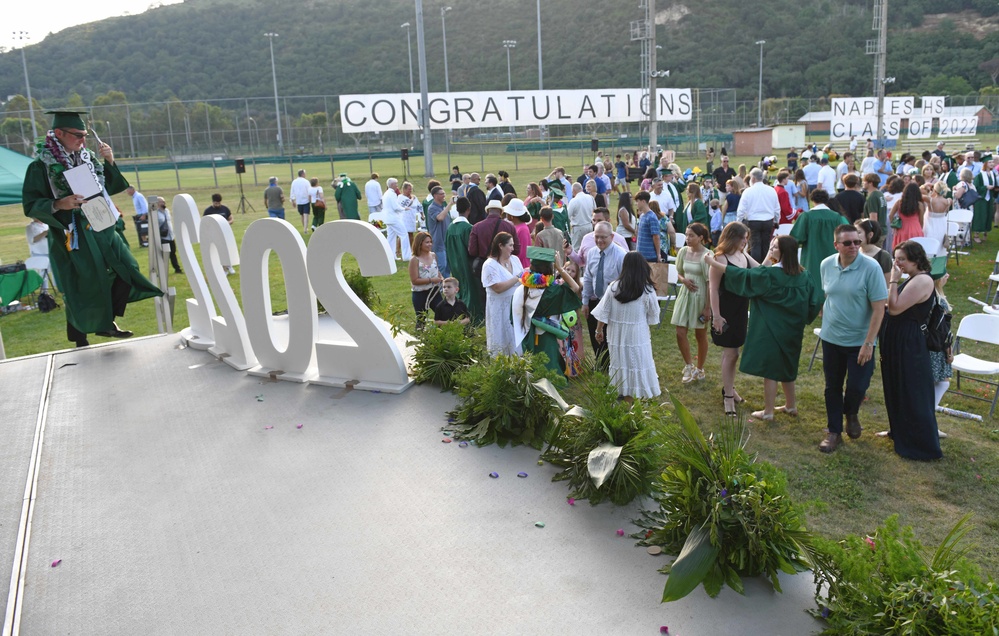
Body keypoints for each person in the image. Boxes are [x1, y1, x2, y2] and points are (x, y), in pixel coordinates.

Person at [22, 110, 162, 347]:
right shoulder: (40, 167)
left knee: (128, 267)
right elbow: (31, 204)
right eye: (77, 135)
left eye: (85, 135)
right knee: (82, 282)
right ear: (58, 133)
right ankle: (83, 335)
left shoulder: (87, 158)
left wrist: (109, 161)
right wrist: (59, 204)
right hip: (71, 232)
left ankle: (106, 320)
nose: (82, 140)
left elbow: (108, 186)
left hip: (101, 224)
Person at [704, 235, 823, 420]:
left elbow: (743, 275)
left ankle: (768, 412)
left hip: (771, 328)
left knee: (771, 370)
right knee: (787, 367)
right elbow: (815, 301)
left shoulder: (770, 275)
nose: (772, 250)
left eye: (774, 247)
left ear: (783, 252)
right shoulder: (804, 275)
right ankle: (791, 406)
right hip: (793, 330)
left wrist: (713, 262)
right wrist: (803, 317)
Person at [817, 224, 888, 453]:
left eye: (857, 242)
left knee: (858, 386)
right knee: (832, 386)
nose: (854, 247)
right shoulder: (826, 264)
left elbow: (879, 309)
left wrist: (869, 342)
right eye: (847, 243)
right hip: (832, 337)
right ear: (836, 244)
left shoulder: (871, 268)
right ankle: (834, 431)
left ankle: (852, 412)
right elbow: (828, 295)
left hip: (860, 341)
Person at [880, 241, 942, 460]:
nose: (897, 263)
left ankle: (918, 443)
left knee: (910, 388)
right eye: (895, 258)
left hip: (909, 341)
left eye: (902, 259)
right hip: (898, 338)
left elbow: (895, 308)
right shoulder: (913, 278)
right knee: (896, 384)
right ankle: (898, 431)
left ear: (916, 259)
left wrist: (894, 280)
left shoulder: (923, 280)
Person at [592, 251, 662, 402]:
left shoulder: (614, 287)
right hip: (638, 335)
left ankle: (623, 395)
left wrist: (599, 330)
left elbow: (603, 311)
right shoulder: (647, 289)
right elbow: (653, 316)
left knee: (619, 362)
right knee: (637, 363)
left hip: (617, 335)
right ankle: (632, 398)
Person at [709, 222, 756, 416]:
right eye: (743, 237)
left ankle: (729, 388)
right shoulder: (720, 257)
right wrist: (717, 316)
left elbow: (761, 270)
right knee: (732, 354)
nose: (746, 241)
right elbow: (712, 288)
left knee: (732, 353)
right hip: (725, 309)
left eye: (747, 238)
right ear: (732, 237)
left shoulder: (743, 255)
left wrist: (773, 252)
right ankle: (728, 396)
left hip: (741, 308)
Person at [512, 247, 582, 375]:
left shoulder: (520, 291)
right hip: (546, 334)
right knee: (548, 363)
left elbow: (513, 318)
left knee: (531, 363)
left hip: (528, 334)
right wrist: (560, 268)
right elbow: (575, 287)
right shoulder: (551, 291)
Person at [581, 222, 627, 371]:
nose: (600, 240)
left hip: (615, 303)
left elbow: (626, 283)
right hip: (596, 301)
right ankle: (601, 364)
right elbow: (588, 278)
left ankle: (614, 366)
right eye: (597, 237)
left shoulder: (621, 256)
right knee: (596, 335)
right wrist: (585, 302)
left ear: (612, 237)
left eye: (603, 237)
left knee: (611, 337)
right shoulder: (592, 253)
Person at [671, 222, 712, 384]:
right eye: (686, 235)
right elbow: (678, 272)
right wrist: (684, 281)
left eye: (691, 235)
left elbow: (710, 282)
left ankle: (700, 369)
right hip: (685, 295)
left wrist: (707, 307)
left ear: (701, 238)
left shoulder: (707, 255)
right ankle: (689, 365)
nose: (687, 238)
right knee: (680, 332)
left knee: (700, 334)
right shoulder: (682, 252)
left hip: (701, 297)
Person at [791, 189, 849, 293]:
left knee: (813, 287)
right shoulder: (836, 217)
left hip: (812, 257)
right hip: (833, 255)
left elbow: (795, 238)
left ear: (812, 200)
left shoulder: (806, 216)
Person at [482, 232, 524, 356]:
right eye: (510, 245)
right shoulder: (489, 265)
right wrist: (518, 277)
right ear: (500, 246)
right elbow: (497, 288)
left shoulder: (515, 260)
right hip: (499, 308)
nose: (512, 248)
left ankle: (519, 367)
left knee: (516, 338)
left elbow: (522, 279)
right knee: (500, 338)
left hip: (516, 306)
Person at [444, 197, 484, 324]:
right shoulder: (468, 228)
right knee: (471, 293)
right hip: (467, 266)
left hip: (455, 266)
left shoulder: (450, 228)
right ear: (469, 209)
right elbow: (472, 250)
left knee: (460, 292)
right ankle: (472, 320)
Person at [736, 168, 780, 264]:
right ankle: (767, 265)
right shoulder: (771, 190)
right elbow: (777, 208)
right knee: (766, 245)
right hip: (768, 221)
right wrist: (776, 221)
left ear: (753, 178)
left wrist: (739, 222)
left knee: (755, 244)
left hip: (753, 221)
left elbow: (741, 209)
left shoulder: (748, 191)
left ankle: (756, 266)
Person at [409, 231, 443, 330]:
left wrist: (442, 278)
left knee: (442, 313)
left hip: (434, 291)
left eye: (430, 242)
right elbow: (414, 280)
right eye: (427, 242)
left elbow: (436, 270)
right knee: (421, 319)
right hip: (420, 293)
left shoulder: (433, 255)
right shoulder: (414, 260)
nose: (430, 244)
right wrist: (432, 280)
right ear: (420, 244)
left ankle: (442, 335)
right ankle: (419, 339)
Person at [425, 186, 453, 278]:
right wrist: (449, 205)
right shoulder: (432, 208)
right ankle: (437, 288)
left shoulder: (443, 207)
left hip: (446, 242)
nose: (444, 195)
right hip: (438, 242)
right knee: (441, 266)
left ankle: (445, 288)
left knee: (448, 267)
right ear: (435, 196)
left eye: (444, 193)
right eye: (441, 194)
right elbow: (440, 218)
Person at [854, 218, 892, 286]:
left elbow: (886, 284)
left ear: (870, 234)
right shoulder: (854, 253)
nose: (854, 236)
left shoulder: (883, 256)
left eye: (859, 232)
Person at [890, 183, 925, 249]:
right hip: (916, 229)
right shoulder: (919, 204)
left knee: (901, 249)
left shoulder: (899, 202)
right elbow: (921, 220)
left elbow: (890, 215)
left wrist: (895, 224)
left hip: (902, 229)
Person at [383, 178, 410, 260]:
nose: (397, 186)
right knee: (404, 235)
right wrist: (404, 208)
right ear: (392, 185)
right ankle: (406, 256)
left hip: (388, 218)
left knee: (391, 237)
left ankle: (391, 256)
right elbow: (395, 207)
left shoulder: (386, 193)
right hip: (394, 218)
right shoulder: (392, 194)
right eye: (396, 184)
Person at [154, 197, 182, 274]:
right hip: (162, 237)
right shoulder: (155, 213)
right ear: (157, 203)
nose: (164, 203)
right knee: (164, 255)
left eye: (164, 202)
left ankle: (177, 269)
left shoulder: (167, 211)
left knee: (173, 253)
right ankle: (161, 271)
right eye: (162, 202)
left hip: (170, 235)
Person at [634, 191, 661, 263]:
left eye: (637, 201)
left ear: (643, 201)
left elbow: (656, 236)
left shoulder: (651, 217)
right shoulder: (642, 215)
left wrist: (658, 254)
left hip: (649, 256)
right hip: (640, 255)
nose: (636, 203)